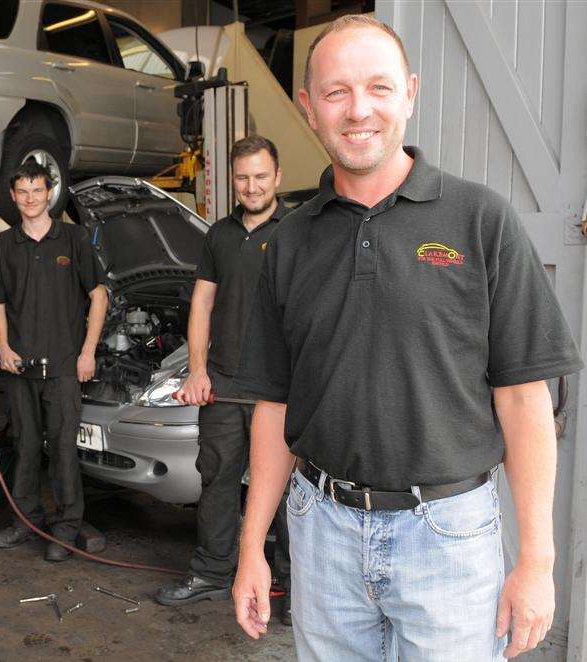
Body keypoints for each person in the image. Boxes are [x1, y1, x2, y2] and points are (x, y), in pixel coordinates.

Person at [231, 15, 583, 661]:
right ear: (308, 108)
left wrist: (535, 562)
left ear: (409, 93)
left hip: (446, 536)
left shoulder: (480, 221)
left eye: (378, 87)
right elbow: (273, 405)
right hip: (321, 531)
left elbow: (523, 399)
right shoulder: (288, 243)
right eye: (335, 92)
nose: (357, 109)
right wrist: (252, 547)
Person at [156, 135, 291, 615]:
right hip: (225, 383)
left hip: (280, 390)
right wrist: (196, 370)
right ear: (231, 181)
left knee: (288, 489)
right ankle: (212, 572)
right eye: (242, 178)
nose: (251, 186)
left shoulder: (297, 229)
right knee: (216, 480)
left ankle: (291, 588)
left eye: (260, 176)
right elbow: (202, 303)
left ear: (277, 176)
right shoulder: (219, 234)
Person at [0, 160, 108, 562]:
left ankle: (67, 527)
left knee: (64, 450)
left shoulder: (74, 239)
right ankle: (25, 519)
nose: (31, 198)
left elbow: (99, 296)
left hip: (65, 365)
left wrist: (87, 352)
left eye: (38, 190)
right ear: (14, 197)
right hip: (20, 367)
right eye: (23, 192)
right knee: (26, 444)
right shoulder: (3, 245)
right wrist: (2, 346)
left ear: (49, 193)